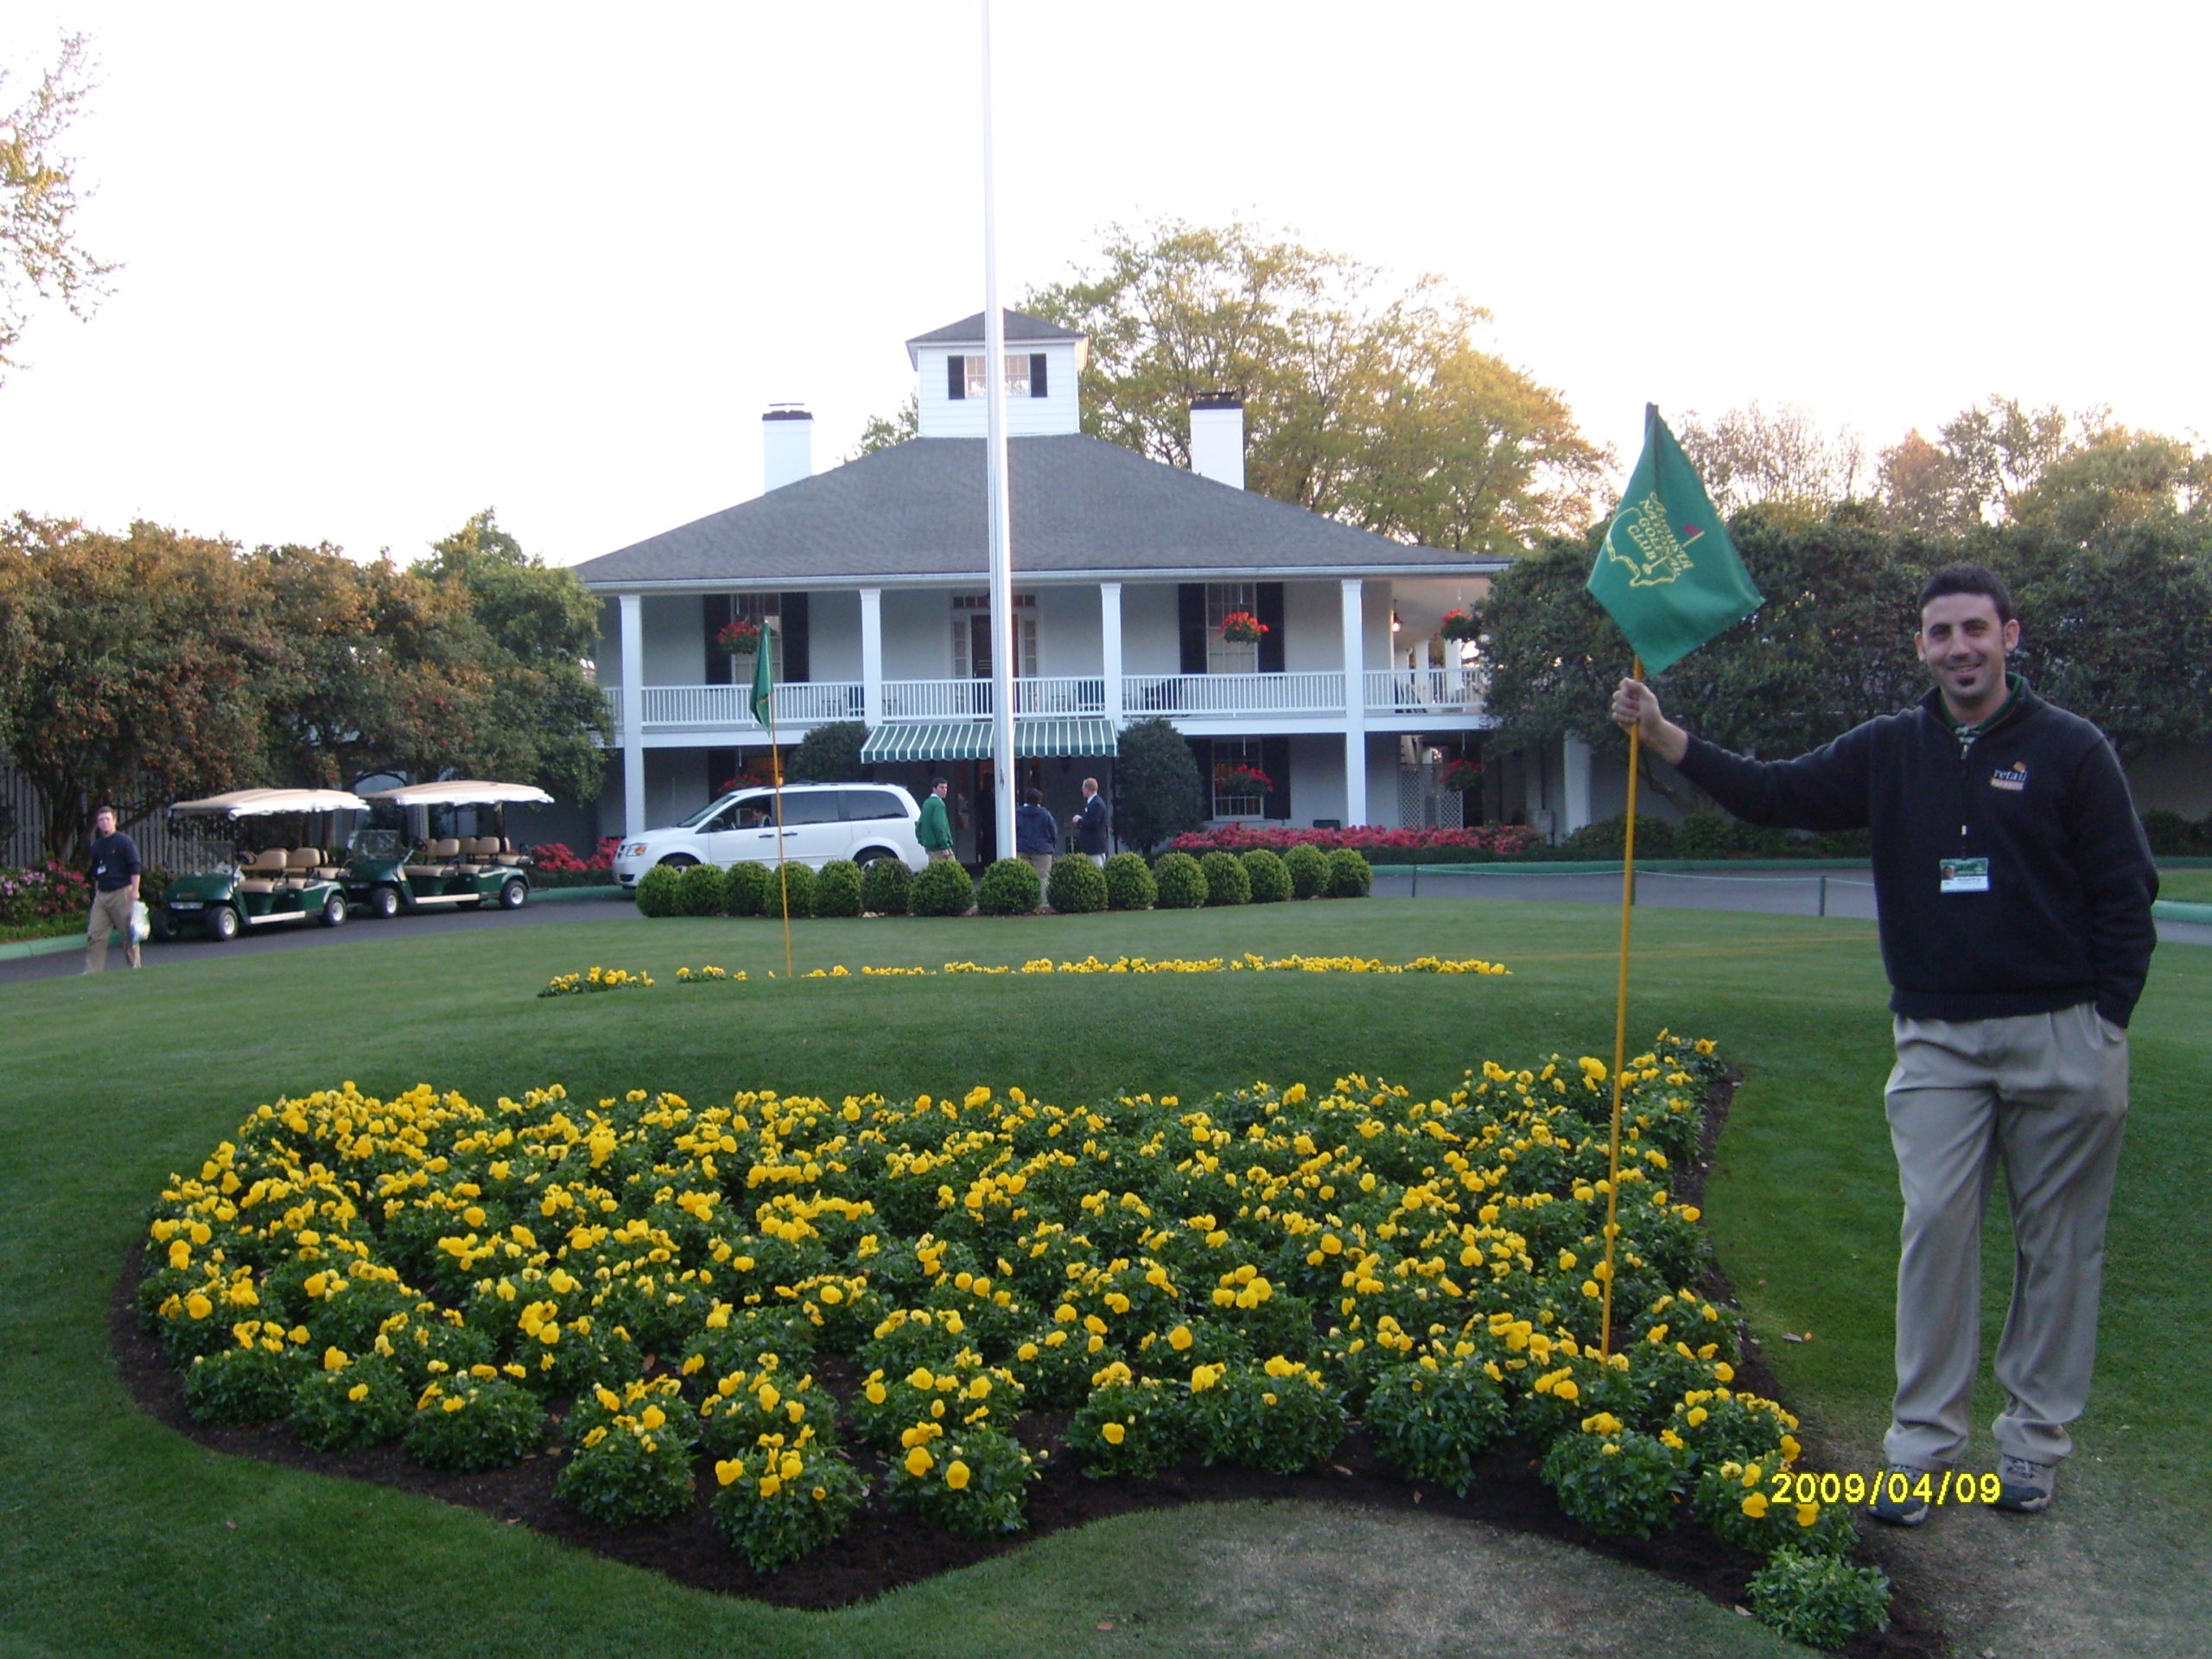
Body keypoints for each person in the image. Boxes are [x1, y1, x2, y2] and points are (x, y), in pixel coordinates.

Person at [1609, 564, 2157, 1525]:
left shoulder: (2071, 750)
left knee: (2059, 1246)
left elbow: (2126, 891)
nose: (1959, 648)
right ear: (1920, 647)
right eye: (1940, 632)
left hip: (2061, 1035)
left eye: (1975, 630)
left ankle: (2030, 1446)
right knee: (1935, 1227)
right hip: (1938, 1039)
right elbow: (1774, 794)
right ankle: (1923, 1447)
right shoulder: (1889, 749)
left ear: (2010, 636)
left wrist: (2105, 1022)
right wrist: (1663, 735)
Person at [85, 804, 143, 973]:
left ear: (115, 821)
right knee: (95, 935)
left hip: (122, 892)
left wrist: (135, 891)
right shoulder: (97, 846)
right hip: (103, 894)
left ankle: (134, 968)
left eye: (108, 819)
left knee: (128, 935)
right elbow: (96, 870)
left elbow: (135, 866)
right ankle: (93, 971)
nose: (104, 823)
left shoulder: (123, 841)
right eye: (101, 820)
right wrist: (97, 890)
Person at [1014, 786, 1058, 883]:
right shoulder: (1045, 814)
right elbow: (1053, 832)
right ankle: (1042, 899)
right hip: (1042, 850)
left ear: (1026, 799)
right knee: (1043, 879)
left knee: (1023, 879)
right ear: (1039, 800)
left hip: (1022, 849)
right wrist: (1051, 846)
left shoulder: (1017, 813)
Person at [1071, 775, 1109, 867]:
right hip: (1091, 847)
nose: (1082, 790)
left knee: (1096, 869)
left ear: (1088, 789)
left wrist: (1079, 821)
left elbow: (1093, 823)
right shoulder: (1092, 803)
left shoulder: (1097, 804)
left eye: (1083, 788)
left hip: (1095, 846)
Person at [917, 778, 955, 861]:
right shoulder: (938, 804)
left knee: (935, 870)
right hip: (939, 846)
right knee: (951, 869)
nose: (945, 790)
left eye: (946, 788)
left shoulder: (927, 803)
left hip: (930, 846)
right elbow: (940, 826)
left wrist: (923, 841)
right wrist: (944, 846)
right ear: (934, 789)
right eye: (941, 787)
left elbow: (920, 824)